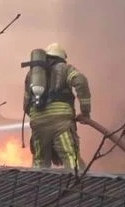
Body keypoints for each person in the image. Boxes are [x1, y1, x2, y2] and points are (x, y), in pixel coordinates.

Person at [23, 42, 91, 172]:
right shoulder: (65, 69)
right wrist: (85, 112)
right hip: (61, 123)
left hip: (37, 123)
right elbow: (80, 81)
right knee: (70, 156)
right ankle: (79, 187)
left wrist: (39, 117)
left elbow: (26, 105)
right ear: (62, 57)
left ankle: (36, 190)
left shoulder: (31, 74)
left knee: (39, 161)